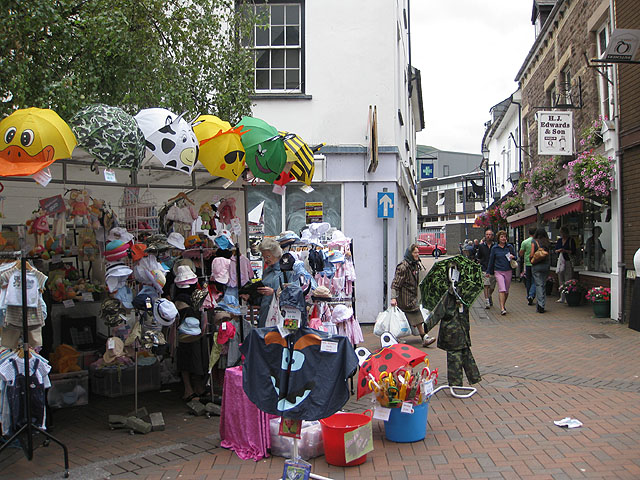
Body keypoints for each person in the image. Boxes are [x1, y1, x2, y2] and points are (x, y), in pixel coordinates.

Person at [390, 244, 435, 347]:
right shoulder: (403, 267)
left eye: (418, 252)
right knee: (412, 314)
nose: (417, 254)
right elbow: (395, 283)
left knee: (404, 319)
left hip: (411, 296)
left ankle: (396, 337)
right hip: (404, 298)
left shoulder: (414, 265)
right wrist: (393, 298)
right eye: (415, 253)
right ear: (410, 253)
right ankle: (424, 337)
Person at [256, 238, 284, 328]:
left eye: (268, 256)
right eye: (264, 257)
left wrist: (274, 292)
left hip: (280, 314)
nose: (265, 260)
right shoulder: (267, 271)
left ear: (276, 255)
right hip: (265, 312)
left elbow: (293, 292)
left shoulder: (286, 270)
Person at [487, 230, 516, 315]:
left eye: (505, 237)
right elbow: (491, 260)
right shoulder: (495, 248)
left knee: (506, 290)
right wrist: (488, 271)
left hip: (508, 270)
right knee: (502, 289)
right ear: (498, 238)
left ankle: (503, 304)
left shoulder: (509, 247)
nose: (503, 238)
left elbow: (516, 257)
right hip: (498, 271)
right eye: (502, 237)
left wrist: (513, 256)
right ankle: (502, 308)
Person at [531, 228, 551, 313]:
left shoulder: (534, 242)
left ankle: (540, 305)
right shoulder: (547, 242)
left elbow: (532, 254)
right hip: (546, 265)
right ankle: (542, 303)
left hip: (536, 266)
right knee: (543, 284)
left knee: (539, 285)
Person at [555, 226, 577, 303]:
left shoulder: (571, 240)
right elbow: (556, 249)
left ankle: (568, 297)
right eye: (561, 233)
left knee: (568, 279)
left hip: (568, 261)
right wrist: (559, 250)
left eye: (563, 233)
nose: (562, 235)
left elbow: (573, 251)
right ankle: (562, 296)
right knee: (560, 279)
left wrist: (565, 251)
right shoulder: (559, 240)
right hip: (560, 262)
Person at [476, 228, 496, 309]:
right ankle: (487, 300)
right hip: (484, 268)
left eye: (490, 234)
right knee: (486, 285)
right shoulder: (481, 246)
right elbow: (479, 256)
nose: (488, 236)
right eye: (487, 234)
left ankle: (489, 295)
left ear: (493, 236)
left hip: (494, 268)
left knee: (492, 286)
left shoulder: (495, 246)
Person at [519, 227, 537, 305]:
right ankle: (531, 295)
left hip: (528, 263)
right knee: (535, 280)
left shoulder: (525, 242)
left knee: (528, 280)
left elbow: (521, 253)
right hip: (536, 263)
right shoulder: (537, 242)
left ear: (529, 233)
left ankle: (529, 295)